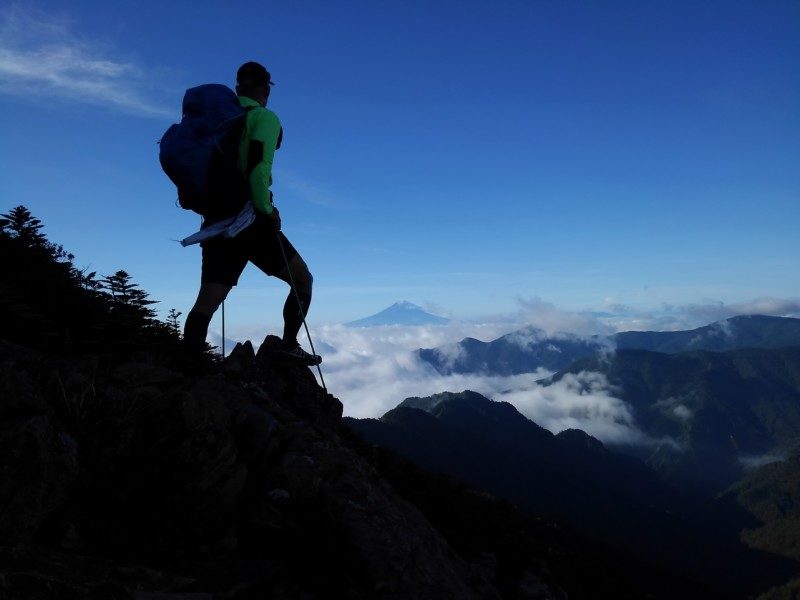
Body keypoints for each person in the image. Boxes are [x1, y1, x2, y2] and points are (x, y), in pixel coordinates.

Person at [182, 61, 321, 366]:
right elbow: (258, 169)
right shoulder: (264, 118)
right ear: (265, 88)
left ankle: (187, 367)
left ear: (236, 88)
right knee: (302, 280)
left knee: (208, 300)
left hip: (217, 223)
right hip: (250, 221)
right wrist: (267, 211)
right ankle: (288, 346)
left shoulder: (217, 123)